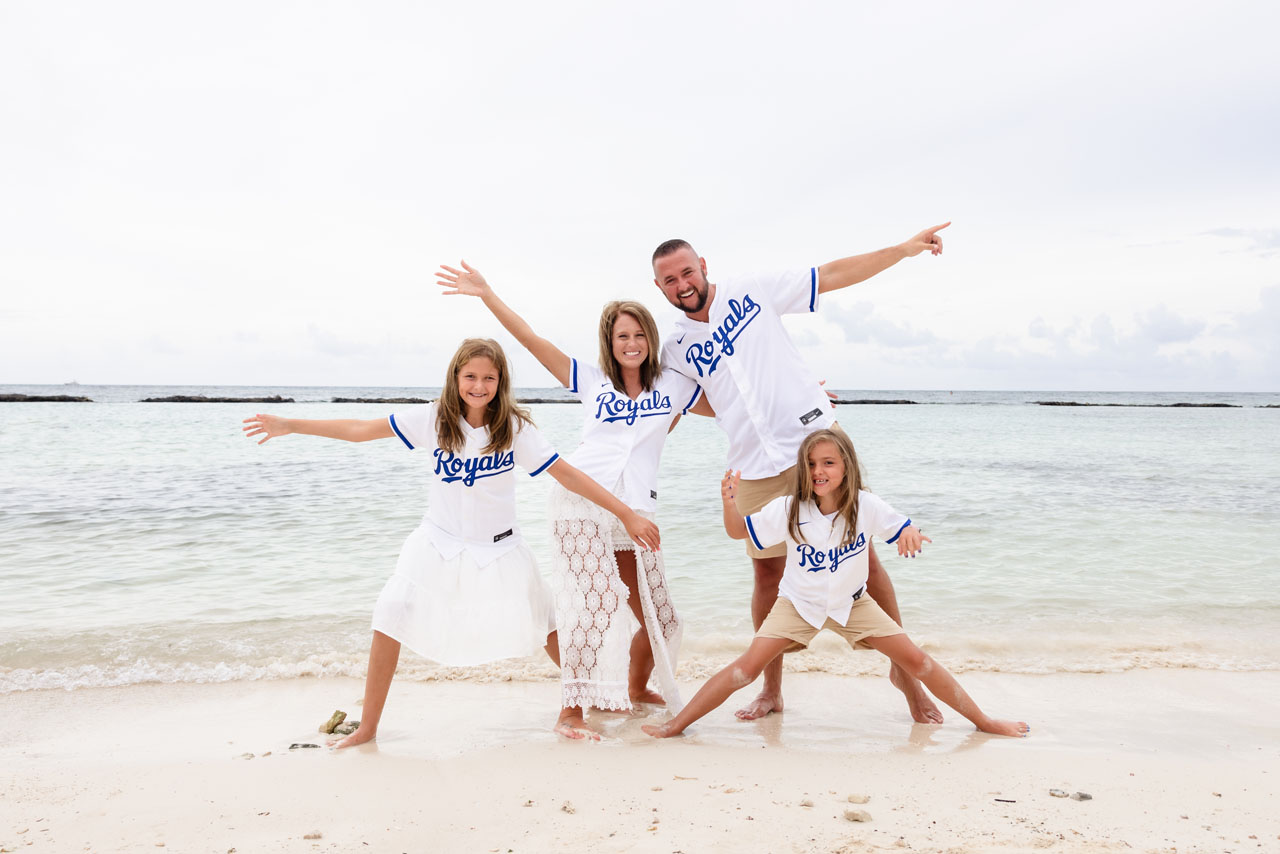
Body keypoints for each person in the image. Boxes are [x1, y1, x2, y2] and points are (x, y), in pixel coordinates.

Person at [242, 338, 660, 747]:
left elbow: (567, 474)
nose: (479, 386)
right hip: (437, 542)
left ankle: (575, 709)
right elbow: (360, 429)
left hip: (500, 547)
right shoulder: (433, 419)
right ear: (455, 377)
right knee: (390, 612)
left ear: (501, 382)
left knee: (548, 625)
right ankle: (367, 727)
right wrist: (291, 424)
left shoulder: (514, 428)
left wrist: (625, 512)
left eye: (489, 378)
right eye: (470, 376)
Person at [652, 225, 951, 723]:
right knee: (768, 573)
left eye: (687, 271)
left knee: (865, 559)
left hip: (814, 445)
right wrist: (733, 408)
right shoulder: (676, 349)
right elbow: (692, 400)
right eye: (668, 280)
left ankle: (908, 679)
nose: (681, 283)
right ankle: (771, 690)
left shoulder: (752, 290)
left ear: (703, 266)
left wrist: (901, 250)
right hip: (752, 463)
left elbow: (829, 275)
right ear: (659, 288)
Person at [437, 262, 703, 739]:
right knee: (596, 606)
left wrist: (806, 398)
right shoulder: (591, 380)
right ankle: (570, 712)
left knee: (662, 617)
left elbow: (734, 398)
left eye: (639, 334)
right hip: (579, 502)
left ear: (651, 338)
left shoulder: (675, 385)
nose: (631, 344)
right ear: (610, 340)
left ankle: (636, 688)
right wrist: (487, 295)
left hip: (636, 511)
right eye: (622, 335)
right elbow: (532, 340)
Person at [643, 429, 1029, 740]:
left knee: (917, 660)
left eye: (828, 462)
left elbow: (901, 526)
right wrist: (730, 503)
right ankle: (676, 726)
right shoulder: (790, 508)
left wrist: (911, 533)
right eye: (811, 464)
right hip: (797, 605)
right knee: (746, 668)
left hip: (853, 604)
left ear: (847, 466)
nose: (818, 471)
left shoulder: (865, 505)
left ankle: (984, 721)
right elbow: (737, 532)